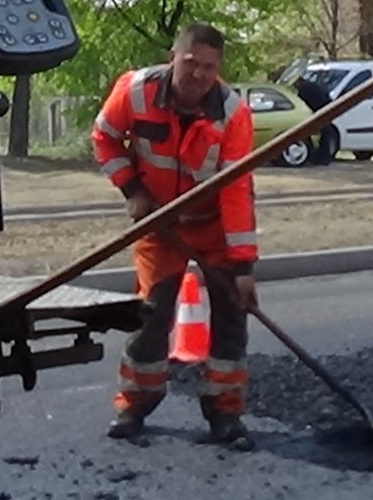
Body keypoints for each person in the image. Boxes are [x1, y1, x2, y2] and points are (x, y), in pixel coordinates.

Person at [90, 23, 260, 449]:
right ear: (173, 57)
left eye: (209, 67)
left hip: (213, 226)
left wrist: (242, 268)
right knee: (150, 314)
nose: (198, 75)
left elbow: (238, 191)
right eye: (190, 63)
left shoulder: (233, 114)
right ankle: (136, 402)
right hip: (159, 224)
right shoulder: (133, 91)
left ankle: (225, 413)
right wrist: (133, 190)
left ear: (218, 69)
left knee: (231, 319)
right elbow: (104, 138)